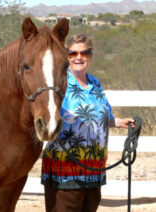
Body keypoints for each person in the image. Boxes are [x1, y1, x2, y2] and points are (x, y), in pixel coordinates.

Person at [41, 34, 136, 212]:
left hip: (94, 168)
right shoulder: (57, 83)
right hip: (65, 170)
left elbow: (101, 116)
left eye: (84, 53)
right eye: (73, 53)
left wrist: (119, 122)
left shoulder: (95, 83)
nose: (79, 57)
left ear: (90, 56)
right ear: (66, 55)